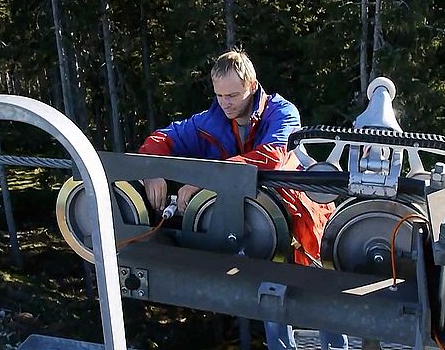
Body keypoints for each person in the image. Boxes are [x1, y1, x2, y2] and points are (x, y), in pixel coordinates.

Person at [138, 49, 346, 349]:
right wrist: (151, 169)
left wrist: (206, 179)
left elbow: (273, 155)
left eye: (233, 95)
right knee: (270, 299)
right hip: (259, 225)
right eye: (220, 96)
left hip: (305, 217)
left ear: (252, 85)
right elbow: (163, 138)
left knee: (327, 298)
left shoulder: (282, 112)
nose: (226, 104)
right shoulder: (210, 121)